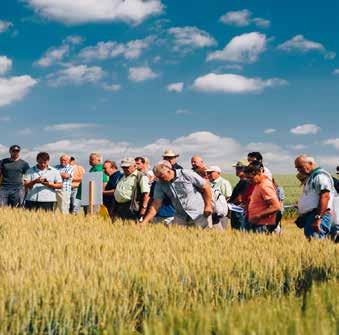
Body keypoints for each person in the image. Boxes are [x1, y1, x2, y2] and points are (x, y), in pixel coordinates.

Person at [142, 161, 213, 228]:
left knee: (202, 235)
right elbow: (156, 204)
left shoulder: (186, 174)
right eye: (158, 178)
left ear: (169, 171)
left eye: (161, 177)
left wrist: (208, 206)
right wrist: (144, 222)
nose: (160, 180)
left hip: (198, 213)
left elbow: (206, 186)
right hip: (180, 215)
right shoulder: (160, 183)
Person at [295, 155, 336, 240]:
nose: (298, 170)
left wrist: (318, 218)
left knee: (315, 242)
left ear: (310, 163)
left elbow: (325, 196)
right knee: (313, 243)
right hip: (312, 216)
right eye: (297, 168)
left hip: (317, 216)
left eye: (300, 167)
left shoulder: (320, 176)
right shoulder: (312, 177)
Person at [244, 163, 281, 233]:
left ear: (259, 173)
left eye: (251, 178)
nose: (249, 180)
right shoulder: (258, 184)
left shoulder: (265, 186)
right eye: (247, 178)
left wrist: (258, 216)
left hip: (262, 225)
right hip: (258, 224)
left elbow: (276, 206)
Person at [229, 160, 250, 230]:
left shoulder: (246, 182)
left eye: (240, 168)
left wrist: (228, 204)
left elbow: (240, 199)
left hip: (240, 212)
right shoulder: (242, 181)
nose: (237, 170)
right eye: (237, 168)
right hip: (237, 211)